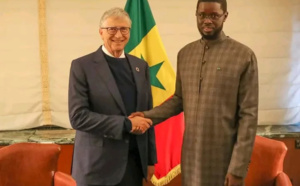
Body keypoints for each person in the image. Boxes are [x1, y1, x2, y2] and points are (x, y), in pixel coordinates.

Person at [130, 0, 258, 185]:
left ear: (225, 16)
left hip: (225, 158)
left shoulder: (243, 56)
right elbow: (179, 100)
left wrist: (238, 168)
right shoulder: (185, 54)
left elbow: (249, 117)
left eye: (214, 15)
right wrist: (147, 116)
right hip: (191, 157)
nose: (207, 20)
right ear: (196, 15)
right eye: (202, 15)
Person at [68, 7, 157, 186]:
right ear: (101, 32)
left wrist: (149, 159)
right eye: (112, 29)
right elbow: (78, 117)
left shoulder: (141, 67)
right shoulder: (82, 66)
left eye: (124, 29)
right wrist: (126, 124)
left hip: (133, 166)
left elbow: (147, 115)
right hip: (96, 167)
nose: (118, 35)